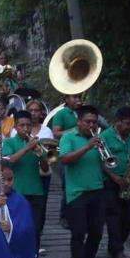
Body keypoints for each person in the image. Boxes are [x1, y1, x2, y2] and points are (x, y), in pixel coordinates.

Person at [59, 105, 106, 258]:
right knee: (78, 235)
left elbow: (105, 163)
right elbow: (65, 159)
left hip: (97, 190)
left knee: (96, 234)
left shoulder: (99, 139)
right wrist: (87, 146)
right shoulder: (68, 137)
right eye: (87, 122)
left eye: (94, 122)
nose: (91, 125)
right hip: (76, 193)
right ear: (79, 122)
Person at [2, 110, 49, 258]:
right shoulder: (10, 142)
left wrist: (41, 154)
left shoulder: (37, 144)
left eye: (28, 125)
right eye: (22, 125)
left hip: (36, 191)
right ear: (15, 127)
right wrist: (27, 148)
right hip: (16, 193)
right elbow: (8, 162)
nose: (26, 128)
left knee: (35, 231)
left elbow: (45, 167)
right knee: (12, 230)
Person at [100, 106, 130, 258]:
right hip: (110, 182)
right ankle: (118, 251)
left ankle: (114, 246)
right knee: (114, 217)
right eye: (127, 124)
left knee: (129, 217)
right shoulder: (105, 136)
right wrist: (115, 178)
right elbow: (101, 161)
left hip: (128, 182)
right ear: (118, 122)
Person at [52, 94, 83, 228]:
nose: (78, 100)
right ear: (66, 99)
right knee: (67, 185)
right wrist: (75, 130)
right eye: (74, 97)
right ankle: (64, 216)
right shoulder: (61, 113)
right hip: (65, 152)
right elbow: (56, 133)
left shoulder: (82, 113)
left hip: (81, 153)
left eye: (79, 97)